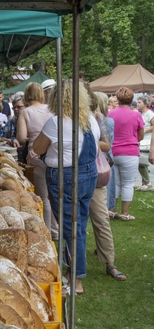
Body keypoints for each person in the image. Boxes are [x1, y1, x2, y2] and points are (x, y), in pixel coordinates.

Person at [32, 80, 100, 295]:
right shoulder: (91, 119)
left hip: (66, 176)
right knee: (78, 226)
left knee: (71, 229)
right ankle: (74, 271)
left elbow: (37, 148)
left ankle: (76, 278)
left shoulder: (56, 122)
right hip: (88, 174)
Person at [88, 89, 126, 281]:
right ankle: (71, 261)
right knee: (72, 221)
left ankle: (110, 263)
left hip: (95, 174)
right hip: (71, 174)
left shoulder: (98, 118)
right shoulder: (65, 118)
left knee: (101, 218)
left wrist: (85, 143)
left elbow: (106, 145)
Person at [16, 82, 57, 238]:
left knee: (43, 197)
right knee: (55, 194)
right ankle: (56, 230)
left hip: (35, 155)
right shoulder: (52, 110)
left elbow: (21, 138)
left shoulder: (25, 112)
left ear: (26, 95)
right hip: (53, 154)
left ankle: (47, 231)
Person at [108, 87, 144, 221]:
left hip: (113, 151)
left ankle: (112, 210)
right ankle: (125, 213)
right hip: (130, 152)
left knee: (115, 183)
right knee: (128, 183)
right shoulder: (136, 115)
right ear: (131, 99)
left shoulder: (110, 114)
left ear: (117, 99)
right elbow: (140, 135)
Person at [136, 94, 154, 191]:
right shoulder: (140, 114)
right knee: (142, 162)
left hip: (147, 141)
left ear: (146, 104)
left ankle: (147, 183)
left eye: (140, 102)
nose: (137, 104)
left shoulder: (150, 114)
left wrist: (145, 130)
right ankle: (145, 183)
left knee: (141, 162)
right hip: (141, 140)